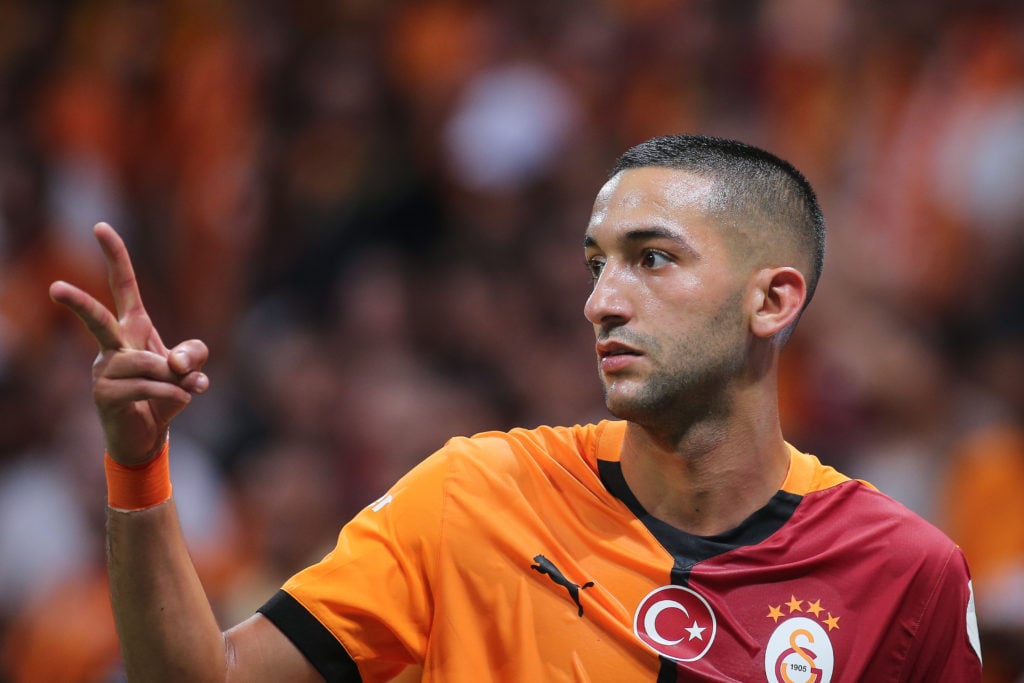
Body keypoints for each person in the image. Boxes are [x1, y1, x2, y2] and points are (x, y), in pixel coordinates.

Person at [50, 134, 982, 681]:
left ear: (773, 300)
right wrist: (139, 465)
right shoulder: (473, 493)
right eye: (595, 264)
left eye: (651, 259)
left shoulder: (905, 573)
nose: (601, 300)